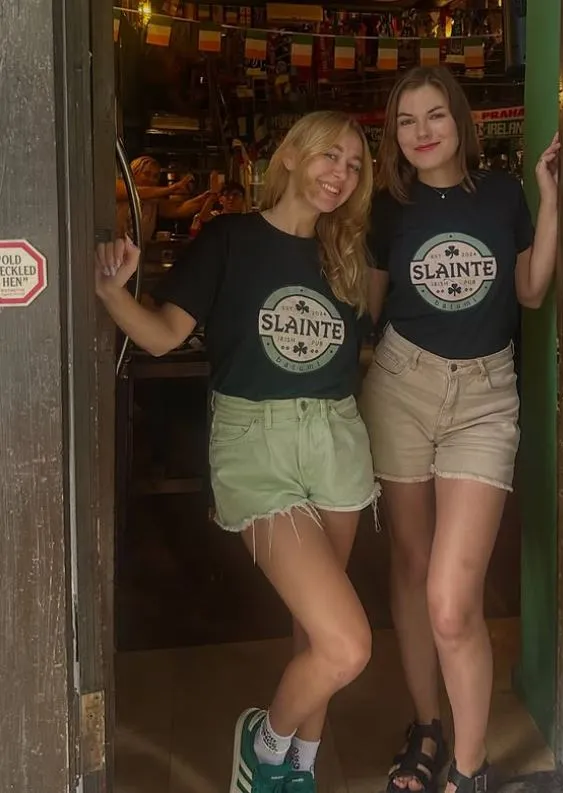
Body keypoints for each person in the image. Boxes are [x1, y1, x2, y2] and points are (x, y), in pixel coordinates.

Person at [96, 111, 377, 793]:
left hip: (336, 439)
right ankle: (265, 740)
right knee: (348, 644)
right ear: (289, 156)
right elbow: (163, 334)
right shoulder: (228, 239)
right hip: (257, 443)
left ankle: (298, 771)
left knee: (315, 632)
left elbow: (358, 353)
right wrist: (110, 291)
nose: (339, 174)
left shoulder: (346, 255)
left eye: (353, 164)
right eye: (327, 156)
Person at [359, 66, 560, 793]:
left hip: (483, 396)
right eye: (406, 121)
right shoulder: (386, 207)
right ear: (395, 134)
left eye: (434, 116)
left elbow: (531, 291)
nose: (421, 132)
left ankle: (469, 771)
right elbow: (369, 310)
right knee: (411, 570)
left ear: (461, 122)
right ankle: (429, 728)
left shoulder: (504, 195)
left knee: (452, 599)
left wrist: (553, 196)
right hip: (401, 388)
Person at [116, 155, 215, 243]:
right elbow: (135, 193)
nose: (151, 179)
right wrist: (173, 188)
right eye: (146, 174)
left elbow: (178, 209)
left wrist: (205, 198)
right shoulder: (118, 186)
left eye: (155, 176)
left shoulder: (152, 201)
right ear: (133, 172)